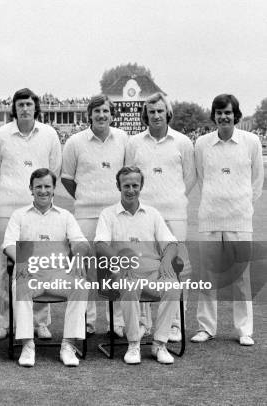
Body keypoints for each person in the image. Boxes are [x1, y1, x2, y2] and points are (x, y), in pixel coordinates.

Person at [0, 88, 62, 340]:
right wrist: (15, 194)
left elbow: (54, 170)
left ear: (35, 107)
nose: (24, 108)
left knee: (40, 262)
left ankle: (40, 322)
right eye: (20, 104)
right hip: (8, 208)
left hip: (40, 209)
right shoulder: (0, 135)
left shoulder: (49, 134)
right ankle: (4, 322)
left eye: (29, 104)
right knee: (7, 267)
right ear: (14, 108)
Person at [191, 94, 263, 346]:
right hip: (210, 218)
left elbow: (257, 182)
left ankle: (244, 330)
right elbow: (201, 178)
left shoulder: (251, 142)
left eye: (228, 113)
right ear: (214, 116)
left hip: (240, 220)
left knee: (241, 278)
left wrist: (241, 206)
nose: (224, 117)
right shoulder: (201, 144)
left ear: (236, 115)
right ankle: (206, 327)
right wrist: (215, 202)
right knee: (207, 275)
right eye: (219, 112)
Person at [125, 92, 196, 342]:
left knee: (175, 268)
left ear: (168, 113)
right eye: (151, 111)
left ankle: (175, 323)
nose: (156, 115)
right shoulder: (134, 143)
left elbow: (189, 177)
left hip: (175, 214)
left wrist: (173, 198)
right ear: (146, 114)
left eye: (160, 111)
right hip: (142, 214)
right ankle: (144, 321)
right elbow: (129, 176)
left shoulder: (183, 142)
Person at [3, 168, 89, 367]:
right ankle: (27, 345)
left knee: (81, 286)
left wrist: (78, 256)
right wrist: (23, 262)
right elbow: (8, 244)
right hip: (30, 274)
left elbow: (81, 242)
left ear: (54, 189)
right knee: (21, 286)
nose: (43, 191)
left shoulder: (65, 215)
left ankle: (68, 345)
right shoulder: (19, 215)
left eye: (47, 186)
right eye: (38, 187)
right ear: (31, 189)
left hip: (59, 275)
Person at [95, 166, 180, 365]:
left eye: (135, 185)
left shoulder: (152, 213)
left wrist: (167, 260)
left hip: (152, 273)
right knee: (129, 287)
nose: (131, 190)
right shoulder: (108, 214)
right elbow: (100, 245)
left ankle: (159, 343)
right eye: (126, 185)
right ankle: (133, 343)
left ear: (141, 186)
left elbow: (171, 243)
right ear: (118, 186)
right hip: (124, 274)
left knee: (173, 286)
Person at [61, 94, 129, 336]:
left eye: (106, 111)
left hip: (115, 216)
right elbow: (67, 178)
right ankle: (86, 323)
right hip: (85, 215)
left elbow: (129, 175)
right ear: (89, 115)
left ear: (112, 115)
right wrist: (86, 197)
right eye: (97, 111)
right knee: (85, 271)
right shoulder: (75, 142)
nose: (101, 115)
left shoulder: (123, 139)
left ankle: (117, 323)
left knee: (116, 268)